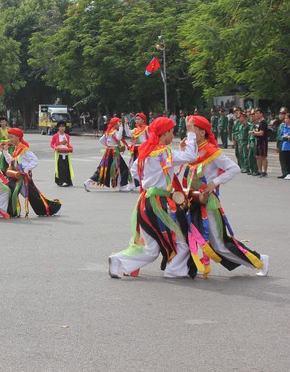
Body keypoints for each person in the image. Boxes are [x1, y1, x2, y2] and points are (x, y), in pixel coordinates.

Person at [107, 117, 197, 279]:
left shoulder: (146, 150)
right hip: (160, 204)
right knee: (182, 242)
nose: (173, 135)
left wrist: (152, 179)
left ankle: (118, 259)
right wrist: (191, 134)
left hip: (144, 201)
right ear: (165, 133)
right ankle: (173, 270)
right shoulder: (165, 153)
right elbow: (191, 156)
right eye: (172, 132)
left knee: (151, 248)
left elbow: (135, 172)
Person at [183, 116, 268, 277]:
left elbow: (234, 168)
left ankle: (259, 260)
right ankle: (186, 269)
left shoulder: (211, 151)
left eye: (191, 127)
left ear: (202, 132)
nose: (189, 131)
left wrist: (214, 182)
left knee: (218, 244)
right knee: (190, 236)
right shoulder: (192, 149)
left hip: (207, 202)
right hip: (192, 199)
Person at [4, 128, 61, 217]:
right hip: (17, 177)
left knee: (34, 197)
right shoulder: (16, 148)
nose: (10, 139)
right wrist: (5, 151)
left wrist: (26, 170)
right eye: (10, 137)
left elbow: (35, 160)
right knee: (30, 196)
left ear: (18, 137)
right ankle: (11, 211)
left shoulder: (24, 148)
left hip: (24, 178)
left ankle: (52, 209)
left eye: (12, 137)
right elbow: (12, 162)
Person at [83, 117, 132, 192]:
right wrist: (121, 128)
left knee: (105, 168)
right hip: (114, 153)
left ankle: (88, 181)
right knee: (123, 168)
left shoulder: (109, 131)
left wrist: (109, 145)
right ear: (115, 124)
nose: (119, 125)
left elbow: (101, 140)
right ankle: (122, 185)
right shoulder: (114, 131)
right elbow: (118, 138)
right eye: (118, 123)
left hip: (109, 151)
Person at [125, 112, 149, 191]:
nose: (137, 121)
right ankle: (132, 184)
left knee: (143, 168)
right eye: (136, 119)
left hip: (143, 151)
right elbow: (128, 133)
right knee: (132, 167)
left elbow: (151, 139)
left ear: (143, 120)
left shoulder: (147, 129)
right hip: (135, 151)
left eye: (139, 119)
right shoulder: (135, 130)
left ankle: (142, 183)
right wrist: (126, 125)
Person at [50, 121, 74, 187]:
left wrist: (71, 148)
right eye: (60, 126)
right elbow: (51, 144)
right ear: (58, 128)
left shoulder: (67, 136)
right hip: (59, 154)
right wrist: (54, 147)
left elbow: (68, 145)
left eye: (63, 126)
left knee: (66, 167)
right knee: (60, 168)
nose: (62, 128)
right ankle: (61, 181)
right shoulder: (55, 136)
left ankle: (68, 181)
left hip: (66, 154)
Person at [276, 110, 290, 179]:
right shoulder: (283, 126)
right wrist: (284, 137)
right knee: (286, 160)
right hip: (285, 145)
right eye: (285, 118)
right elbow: (281, 135)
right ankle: (287, 173)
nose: (286, 120)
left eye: (287, 118)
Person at [250, 108, 269, 178]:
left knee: (263, 156)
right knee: (258, 156)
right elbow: (256, 130)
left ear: (261, 114)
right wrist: (254, 132)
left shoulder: (263, 122)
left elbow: (261, 133)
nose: (256, 114)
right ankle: (259, 171)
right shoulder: (258, 122)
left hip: (262, 141)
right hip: (257, 140)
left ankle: (265, 172)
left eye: (258, 113)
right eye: (256, 113)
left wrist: (253, 132)